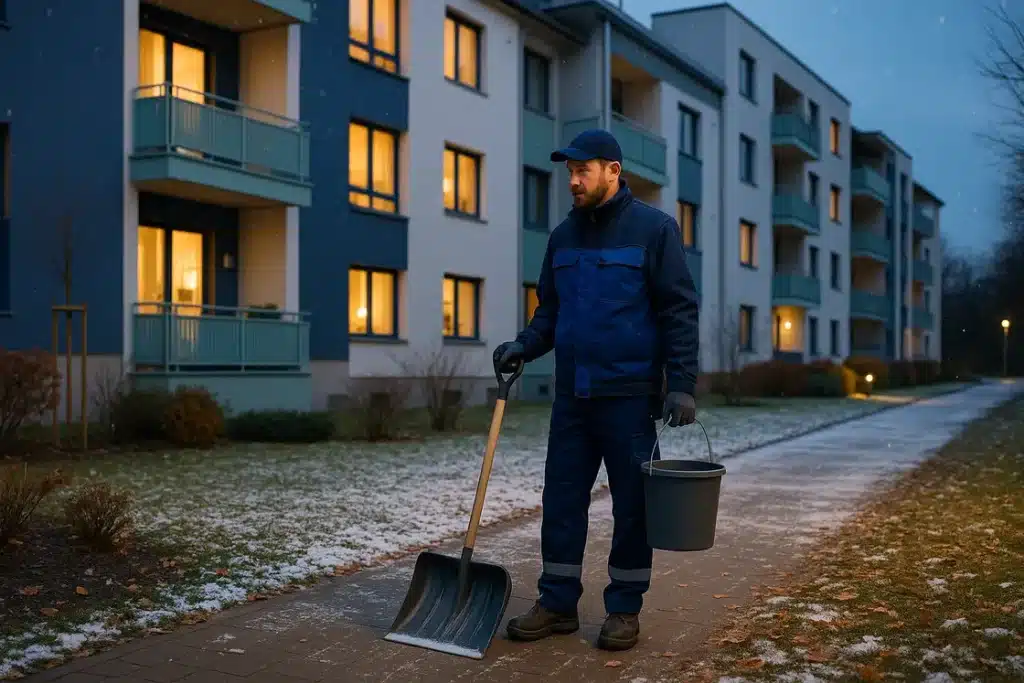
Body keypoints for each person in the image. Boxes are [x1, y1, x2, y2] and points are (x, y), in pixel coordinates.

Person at [493, 128, 699, 652]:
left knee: (633, 506)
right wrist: (523, 344)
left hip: (629, 397)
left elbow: (677, 309)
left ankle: (624, 608)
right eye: (569, 173)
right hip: (573, 398)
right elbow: (551, 313)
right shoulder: (562, 237)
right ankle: (558, 601)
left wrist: (681, 384)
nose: (574, 181)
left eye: (582, 171)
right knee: (561, 499)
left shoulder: (654, 230)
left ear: (613, 169)